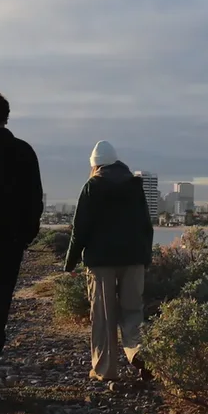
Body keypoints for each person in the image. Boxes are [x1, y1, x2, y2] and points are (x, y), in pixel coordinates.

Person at [63, 141, 153, 382]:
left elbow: (79, 230)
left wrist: (69, 263)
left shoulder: (93, 186)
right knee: (133, 312)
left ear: (95, 165)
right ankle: (140, 355)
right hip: (133, 259)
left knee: (103, 316)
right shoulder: (135, 186)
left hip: (101, 261)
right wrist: (146, 258)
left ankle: (105, 370)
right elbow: (146, 225)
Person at [0, 91, 44, 395]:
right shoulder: (23, 151)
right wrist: (23, 238)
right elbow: (34, 201)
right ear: (7, 116)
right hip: (9, 246)